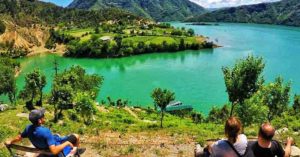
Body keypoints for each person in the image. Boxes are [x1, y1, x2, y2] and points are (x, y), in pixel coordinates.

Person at [5, 108, 85, 156]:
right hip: (55, 151)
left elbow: (19, 137)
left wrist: (10, 141)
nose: (44, 117)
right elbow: (54, 151)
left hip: (43, 147)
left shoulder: (28, 128)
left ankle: (74, 148)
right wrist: (67, 143)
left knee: (57, 136)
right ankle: (75, 151)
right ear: (39, 120)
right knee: (76, 136)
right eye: (43, 116)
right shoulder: (45, 132)